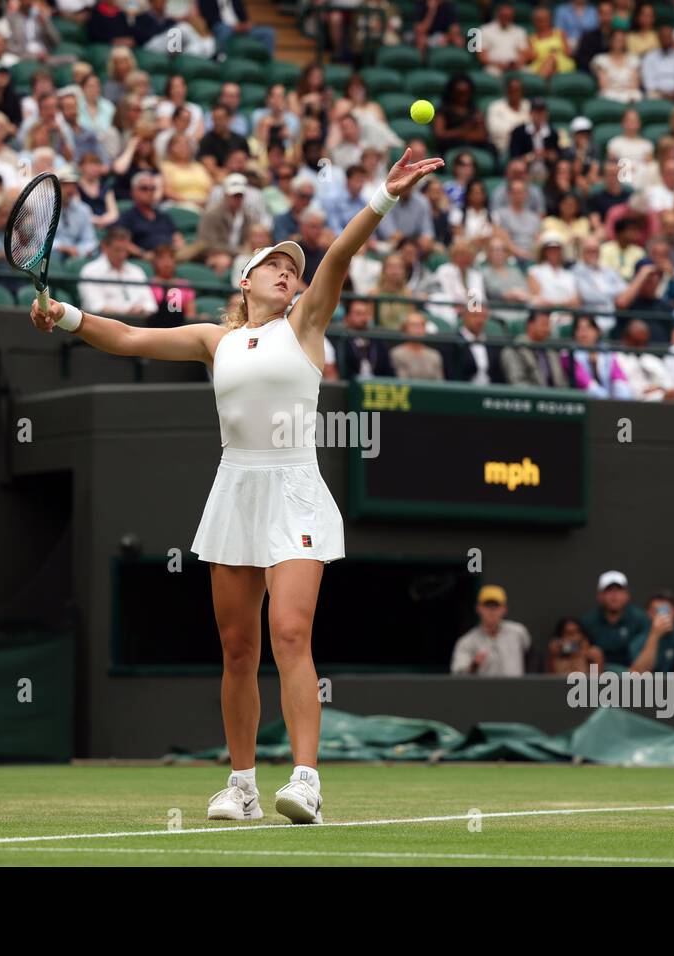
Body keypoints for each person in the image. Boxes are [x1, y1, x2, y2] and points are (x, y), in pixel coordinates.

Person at [30, 146, 443, 825]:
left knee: (289, 632)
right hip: (235, 488)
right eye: (275, 266)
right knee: (237, 647)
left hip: (295, 488)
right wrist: (68, 317)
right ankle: (244, 786)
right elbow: (129, 337)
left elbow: (336, 258)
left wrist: (385, 197)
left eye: (293, 269)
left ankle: (305, 781)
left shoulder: (306, 325)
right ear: (245, 283)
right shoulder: (214, 340)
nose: (288, 273)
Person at [451, 585, 532, 676]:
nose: (492, 610)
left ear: (504, 609)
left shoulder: (518, 632)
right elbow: (458, 676)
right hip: (483, 689)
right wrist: (474, 665)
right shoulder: (467, 641)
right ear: (478, 608)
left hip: (516, 688)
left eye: (496, 606)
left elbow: (530, 657)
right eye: (487, 605)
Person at [578, 570, 650, 670]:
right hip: (596, 674)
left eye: (619, 590)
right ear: (599, 596)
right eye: (609, 590)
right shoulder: (588, 621)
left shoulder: (640, 619)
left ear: (627, 595)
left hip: (633, 675)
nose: (614, 595)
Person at [629, 591, 674, 675]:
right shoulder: (640, 639)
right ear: (648, 613)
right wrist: (655, 635)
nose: (661, 616)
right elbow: (638, 673)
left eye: (666, 611)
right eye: (656, 611)